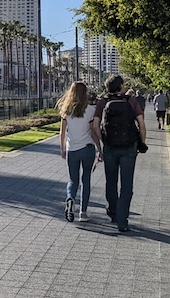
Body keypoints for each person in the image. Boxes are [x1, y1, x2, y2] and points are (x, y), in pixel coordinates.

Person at [91, 74, 146, 232]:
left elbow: (95, 125)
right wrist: (142, 142)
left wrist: (103, 141)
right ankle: (123, 221)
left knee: (111, 182)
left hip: (110, 147)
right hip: (129, 148)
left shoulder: (103, 102)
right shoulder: (130, 101)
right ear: (121, 86)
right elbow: (141, 124)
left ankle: (113, 213)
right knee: (127, 185)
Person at [58, 81, 102, 223]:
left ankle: (70, 198)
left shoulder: (66, 110)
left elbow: (62, 132)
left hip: (72, 149)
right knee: (86, 179)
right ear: (85, 93)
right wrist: (99, 148)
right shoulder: (90, 110)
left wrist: (62, 148)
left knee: (73, 180)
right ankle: (83, 212)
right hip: (87, 148)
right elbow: (93, 131)